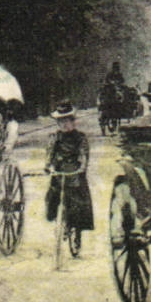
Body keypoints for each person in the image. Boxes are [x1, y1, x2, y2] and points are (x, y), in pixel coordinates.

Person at [44, 102, 93, 243]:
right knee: (52, 196)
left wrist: (82, 166)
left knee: (78, 202)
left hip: (75, 172)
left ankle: (77, 229)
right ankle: (57, 219)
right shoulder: (55, 138)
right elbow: (50, 153)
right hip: (59, 171)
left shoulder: (80, 137)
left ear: (73, 121)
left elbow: (83, 153)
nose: (64, 125)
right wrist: (49, 166)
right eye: (60, 121)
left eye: (67, 121)